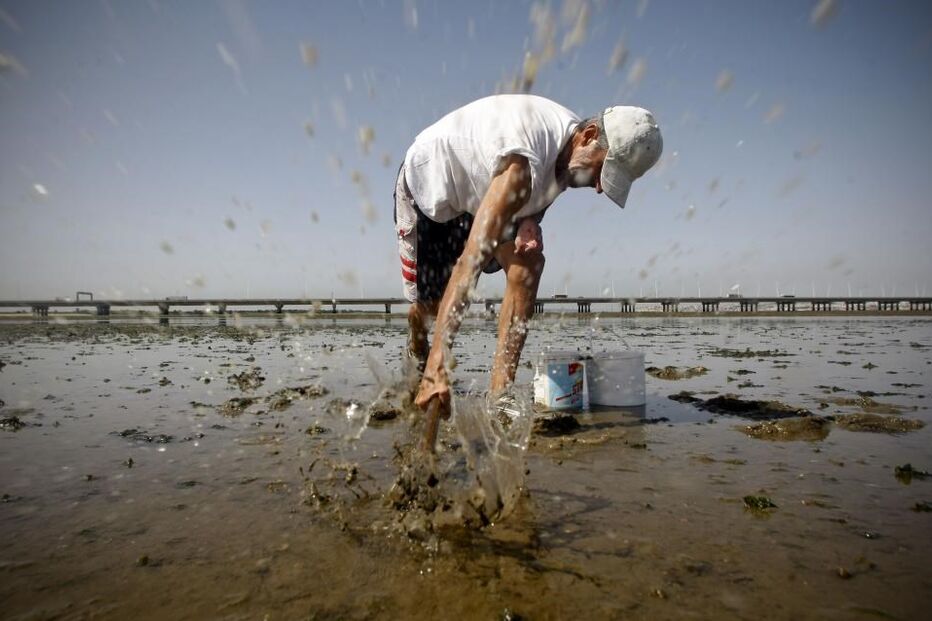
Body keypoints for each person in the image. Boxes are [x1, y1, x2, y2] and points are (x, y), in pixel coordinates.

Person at [393, 94, 662, 448]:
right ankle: (419, 347)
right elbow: (470, 263)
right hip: (434, 194)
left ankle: (499, 397)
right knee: (428, 312)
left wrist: (531, 221)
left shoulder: (571, 151)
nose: (598, 187)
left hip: (486, 194)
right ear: (588, 135)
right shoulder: (523, 164)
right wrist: (438, 364)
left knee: (529, 264)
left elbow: (546, 190)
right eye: (601, 172)